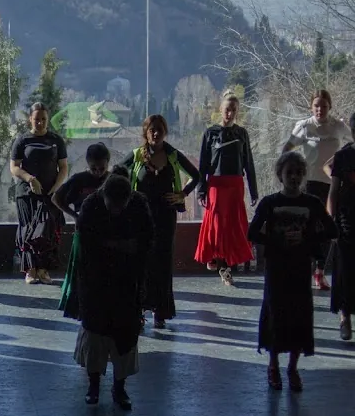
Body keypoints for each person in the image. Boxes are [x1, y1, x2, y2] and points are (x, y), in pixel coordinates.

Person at [248, 152, 337, 392]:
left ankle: (293, 367)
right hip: (277, 267)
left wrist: (306, 238)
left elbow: (331, 230)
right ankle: (273, 365)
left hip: (300, 267)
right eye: (290, 173)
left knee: (299, 316)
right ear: (280, 175)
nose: (294, 177)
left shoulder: (312, 203)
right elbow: (253, 233)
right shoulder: (269, 203)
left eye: (298, 173)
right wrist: (277, 239)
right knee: (276, 315)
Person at [74, 171, 153, 410]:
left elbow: (148, 240)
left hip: (127, 281)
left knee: (125, 337)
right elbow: (85, 246)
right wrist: (121, 246)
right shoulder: (91, 206)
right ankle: (94, 385)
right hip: (96, 281)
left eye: (121, 205)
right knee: (96, 336)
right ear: (104, 196)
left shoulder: (139, 204)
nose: (117, 210)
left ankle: (119, 387)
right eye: (113, 205)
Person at [121, 115, 200, 329]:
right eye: (152, 130)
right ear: (146, 133)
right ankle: (138, 309)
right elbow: (117, 173)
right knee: (141, 262)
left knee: (163, 263)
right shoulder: (137, 155)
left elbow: (196, 175)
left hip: (166, 216)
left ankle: (160, 311)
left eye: (160, 129)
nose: (156, 133)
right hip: (141, 216)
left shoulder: (173, 154)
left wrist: (183, 193)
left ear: (165, 131)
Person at [283, 89, 351, 291]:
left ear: (330, 107)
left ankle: (320, 271)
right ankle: (301, 269)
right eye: (316, 106)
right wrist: (291, 175)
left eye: (323, 106)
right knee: (305, 228)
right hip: (308, 184)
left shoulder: (338, 126)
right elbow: (286, 149)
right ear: (311, 107)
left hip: (332, 186)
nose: (320, 109)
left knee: (328, 228)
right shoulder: (304, 126)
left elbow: (352, 139)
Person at [194, 93, 258, 285]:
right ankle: (222, 264)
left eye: (233, 110)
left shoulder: (242, 134)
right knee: (217, 226)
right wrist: (201, 190)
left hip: (236, 185)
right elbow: (203, 164)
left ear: (237, 112)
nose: (230, 113)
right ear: (221, 110)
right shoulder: (210, 133)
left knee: (234, 225)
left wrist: (253, 190)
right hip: (216, 185)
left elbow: (249, 163)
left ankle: (229, 263)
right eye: (227, 109)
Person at [10, 102, 69, 284]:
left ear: (48, 119)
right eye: (37, 119)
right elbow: (14, 167)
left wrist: (55, 187)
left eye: (43, 119)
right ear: (30, 119)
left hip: (49, 195)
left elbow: (63, 167)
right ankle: (30, 270)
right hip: (26, 194)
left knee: (47, 231)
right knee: (28, 231)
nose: (40, 123)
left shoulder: (56, 140)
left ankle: (43, 269)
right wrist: (30, 179)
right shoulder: (22, 140)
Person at [53, 143, 111, 320]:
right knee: (83, 272)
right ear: (88, 164)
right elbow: (56, 197)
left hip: (107, 233)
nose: (98, 172)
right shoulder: (79, 180)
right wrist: (74, 215)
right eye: (94, 168)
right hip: (85, 234)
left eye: (102, 168)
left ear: (108, 163)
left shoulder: (113, 179)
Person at [327, 112, 355, 341]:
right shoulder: (343, 156)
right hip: (346, 222)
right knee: (344, 272)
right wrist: (332, 222)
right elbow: (333, 192)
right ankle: (345, 318)